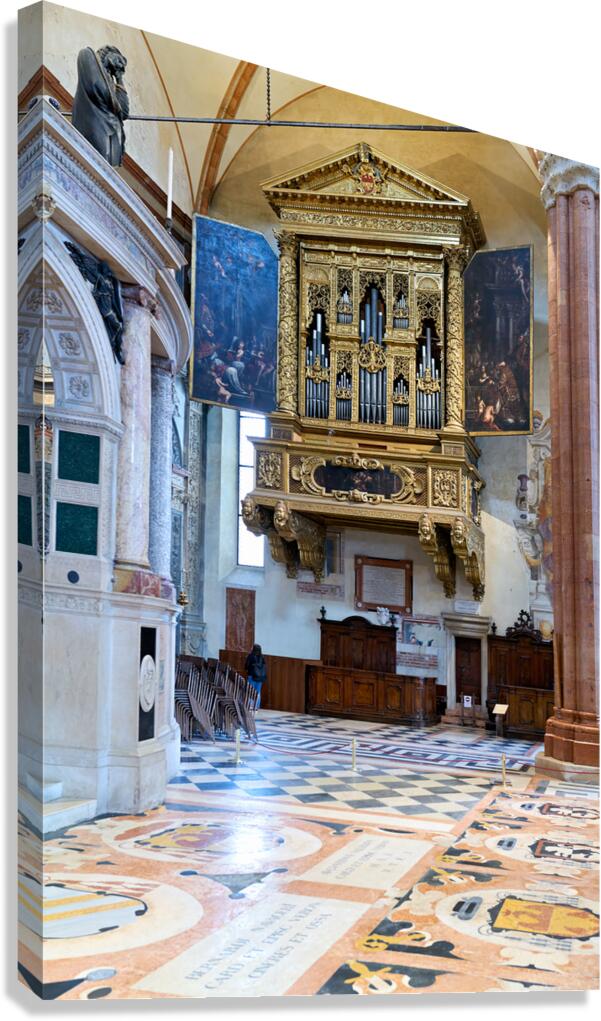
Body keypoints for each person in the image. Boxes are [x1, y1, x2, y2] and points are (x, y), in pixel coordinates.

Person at [245, 644, 267, 709]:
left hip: (252, 676)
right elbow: (264, 666)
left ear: (253, 649)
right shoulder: (262, 657)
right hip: (260, 677)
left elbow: (246, 666)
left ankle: (250, 706)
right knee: (258, 692)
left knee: (250, 691)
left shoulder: (251, 656)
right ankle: (256, 706)